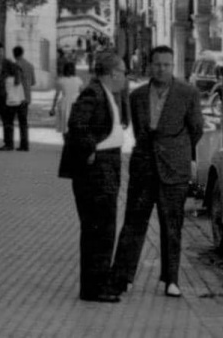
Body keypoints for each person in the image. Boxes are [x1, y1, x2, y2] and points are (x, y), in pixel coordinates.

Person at [112, 46, 204, 299]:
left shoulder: (188, 93)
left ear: (172, 66)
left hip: (173, 170)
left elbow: (196, 130)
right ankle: (123, 277)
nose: (161, 69)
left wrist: (176, 152)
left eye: (166, 64)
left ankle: (171, 279)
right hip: (143, 167)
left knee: (172, 225)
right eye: (157, 64)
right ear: (149, 65)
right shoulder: (138, 95)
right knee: (133, 223)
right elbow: (136, 128)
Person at [58, 50, 127, 303]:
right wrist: (88, 151)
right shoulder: (94, 92)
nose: (125, 78)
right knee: (98, 230)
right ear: (112, 73)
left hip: (106, 169)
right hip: (97, 172)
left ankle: (99, 283)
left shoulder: (105, 92)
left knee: (103, 229)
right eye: (123, 73)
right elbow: (77, 124)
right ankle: (94, 287)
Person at [12, 46, 36, 151]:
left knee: (10, 120)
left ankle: (10, 143)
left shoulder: (15, 66)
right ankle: (25, 144)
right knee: (23, 122)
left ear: (14, 54)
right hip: (26, 96)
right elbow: (33, 82)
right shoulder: (30, 65)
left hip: (16, 96)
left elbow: (14, 82)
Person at [50, 60, 83, 133]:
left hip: (64, 104)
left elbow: (56, 96)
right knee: (74, 127)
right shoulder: (79, 80)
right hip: (75, 104)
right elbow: (82, 95)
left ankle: (66, 141)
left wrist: (52, 108)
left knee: (64, 127)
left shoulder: (60, 80)